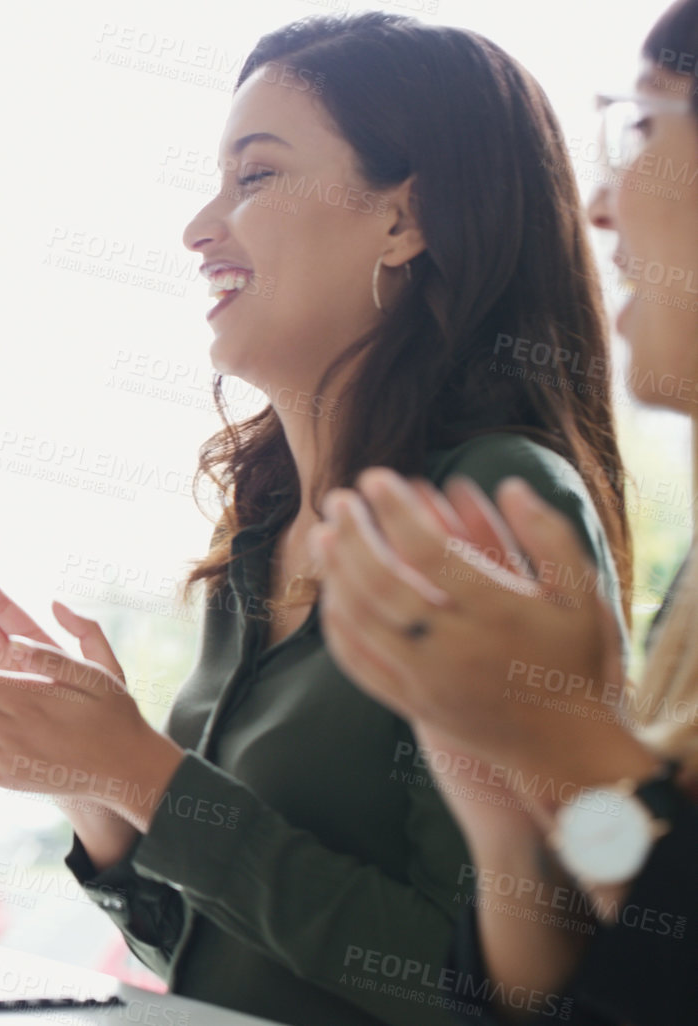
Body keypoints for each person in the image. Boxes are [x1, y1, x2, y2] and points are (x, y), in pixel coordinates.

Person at [0, 13, 633, 1025]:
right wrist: (96, 790)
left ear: (405, 220)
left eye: (254, 177)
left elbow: (495, 997)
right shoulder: (264, 533)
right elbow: (223, 961)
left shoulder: (494, 506)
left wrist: (144, 772)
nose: (198, 228)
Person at [309, 3, 698, 1022]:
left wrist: (563, 747)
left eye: (647, 125)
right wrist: (512, 816)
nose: (602, 205)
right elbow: (633, 927)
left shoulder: (504, 487)